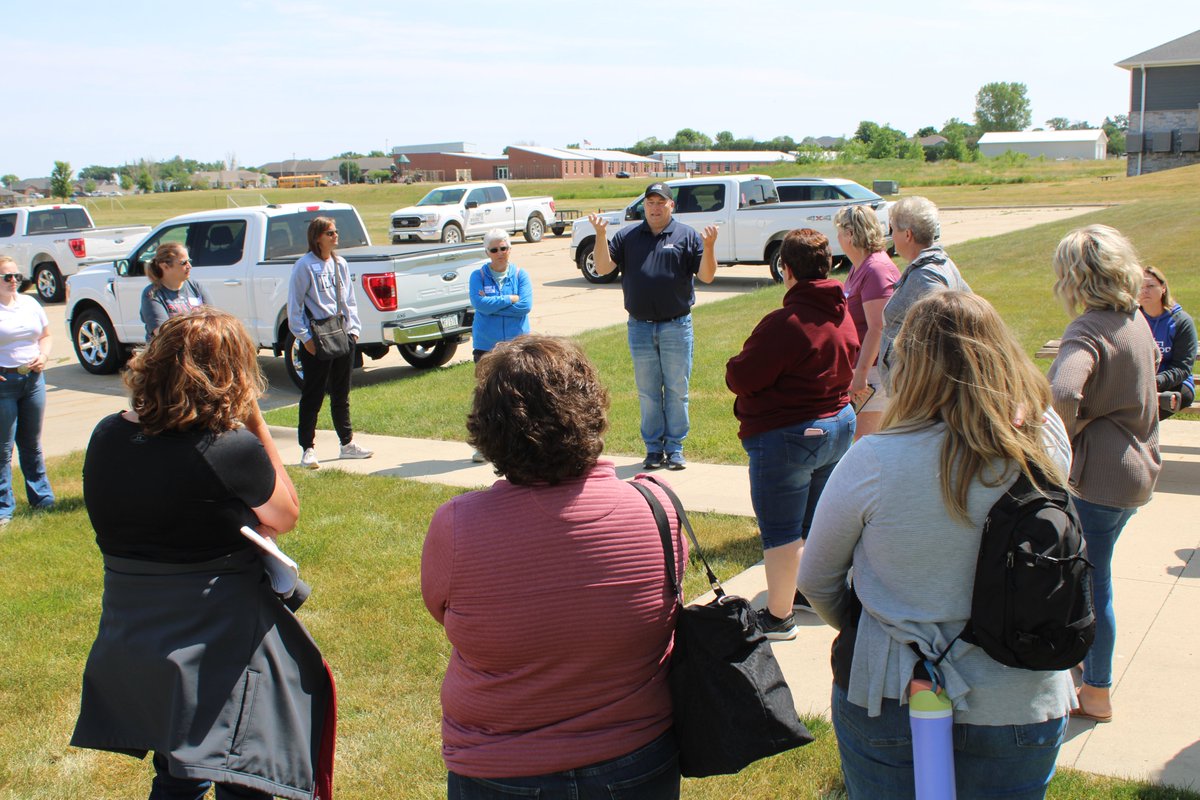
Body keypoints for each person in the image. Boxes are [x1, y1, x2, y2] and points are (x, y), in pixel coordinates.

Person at [799, 291, 1075, 799]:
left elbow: (817, 581)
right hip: (1021, 695)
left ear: (910, 366)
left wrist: (877, 624)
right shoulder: (1045, 443)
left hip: (891, 687)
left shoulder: (875, 460)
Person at [71, 309, 335, 800]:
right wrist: (254, 419)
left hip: (137, 640)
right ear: (232, 376)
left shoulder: (106, 436)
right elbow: (285, 512)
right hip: (220, 645)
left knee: (179, 776)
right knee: (244, 778)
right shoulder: (227, 448)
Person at [422, 334, 686, 800]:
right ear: (591, 410)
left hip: (499, 766)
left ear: (489, 427)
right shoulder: (657, 507)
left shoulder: (456, 525)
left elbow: (442, 612)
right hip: (637, 759)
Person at [1048, 224, 1160, 724]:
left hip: (1099, 478)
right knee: (1096, 577)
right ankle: (1086, 663)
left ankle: (1095, 692)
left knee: (1093, 587)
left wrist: (1062, 439)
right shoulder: (1134, 319)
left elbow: (1063, 392)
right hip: (1136, 471)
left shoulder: (1088, 328)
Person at [725, 228, 858, 640]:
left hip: (790, 437)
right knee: (814, 522)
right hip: (838, 426)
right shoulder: (841, 309)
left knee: (782, 530)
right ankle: (809, 593)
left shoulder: (787, 323)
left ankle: (779, 617)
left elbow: (741, 377)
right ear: (829, 264)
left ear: (785, 269)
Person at [589, 183, 718, 471]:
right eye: (650, 202)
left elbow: (707, 276)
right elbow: (603, 268)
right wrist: (600, 235)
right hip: (640, 328)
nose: (655, 208)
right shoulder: (628, 237)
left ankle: (675, 448)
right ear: (644, 206)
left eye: (661, 202)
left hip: (677, 326)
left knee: (677, 391)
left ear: (672, 205)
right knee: (647, 393)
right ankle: (653, 449)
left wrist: (709, 247)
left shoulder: (686, 236)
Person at [287, 215, 372, 469]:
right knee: (313, 395)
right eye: (330, 233)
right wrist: (305, 338)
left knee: (341, 393)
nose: (336, 236)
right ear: (317, 238)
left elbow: (349, 300)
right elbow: (294, 306)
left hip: (341, 335)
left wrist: (353, 331)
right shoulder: (304, 266)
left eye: (336, 232)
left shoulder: (340, 264)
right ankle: (308, 449)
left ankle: (347, 443)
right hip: (317, 338)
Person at [878, 195, 970, 388]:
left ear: (908, 235)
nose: (891, 237)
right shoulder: (942, 263)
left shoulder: (926, 276)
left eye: (893, 230)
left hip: (918, 389)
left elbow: (942, 334)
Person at [835, 204, 900, 438]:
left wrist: (861, 374)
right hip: (864, 369)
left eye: (839, 232)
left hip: (874, 373)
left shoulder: (876, 269)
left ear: (851, 234)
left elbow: (878, 326)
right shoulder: (860, 267)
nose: (837, 238)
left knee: (867, 442)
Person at [467, 228, 533, 462]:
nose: (499, 253)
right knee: (487, 396)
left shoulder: (521, 275)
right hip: (486, 346)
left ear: (510, 249)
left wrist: (493, 305)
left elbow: (524, 306)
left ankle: (521, 443)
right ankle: (485, 446)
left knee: (519, 395)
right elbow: (479, 304)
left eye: (503, 248)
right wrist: (508, 299)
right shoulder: (478, 276)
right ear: (487, 252)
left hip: (517, 346)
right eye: (494, 249)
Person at [0, 254, 54, 524]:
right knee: (3, 448)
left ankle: (42, 499)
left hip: (33, 380)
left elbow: (46, 335)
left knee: (31, 444)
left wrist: (43, 356)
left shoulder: (30, 303)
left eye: (17, 276)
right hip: (4, 383)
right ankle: (3, 508)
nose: (13, 281)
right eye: (7, 277)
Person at [1138, 265, 1196, 419]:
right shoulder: (1130, 319)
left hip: (1175, 383)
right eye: (1140, 287)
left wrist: (1154, 382)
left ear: (1163, 288)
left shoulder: (1181, 321)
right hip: (1139, 382)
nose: (1144, 291)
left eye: (1151, 286)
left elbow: (1182, 368)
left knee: (1161, 403)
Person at [140, 242, 211, 339]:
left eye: (189, 261)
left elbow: (212, 320)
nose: (189, 266)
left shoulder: (195, 286)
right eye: (183, 263)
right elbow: (164, 334)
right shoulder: (152, 294)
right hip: (170, 347)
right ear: (165, 266)